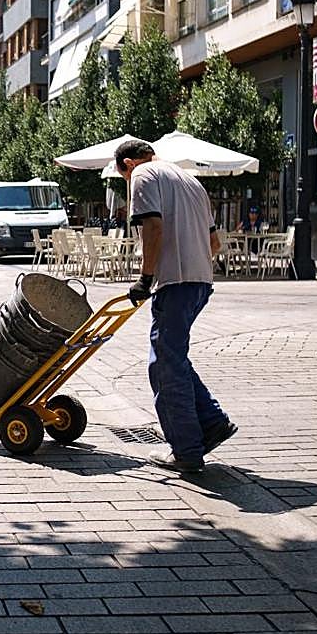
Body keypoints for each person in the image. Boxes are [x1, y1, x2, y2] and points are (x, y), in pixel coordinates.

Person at [116, 139, 238, 475]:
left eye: (124, 178)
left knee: (164, 366)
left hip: (176, 281)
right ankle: (211, 422)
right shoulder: (191, 181)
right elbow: (214, 242)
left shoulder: (142, 175)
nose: (128, 184)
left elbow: (153, 227)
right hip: (200, 282)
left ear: (128, 164)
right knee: (173, 357)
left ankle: (186, 450)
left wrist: (145, 278)